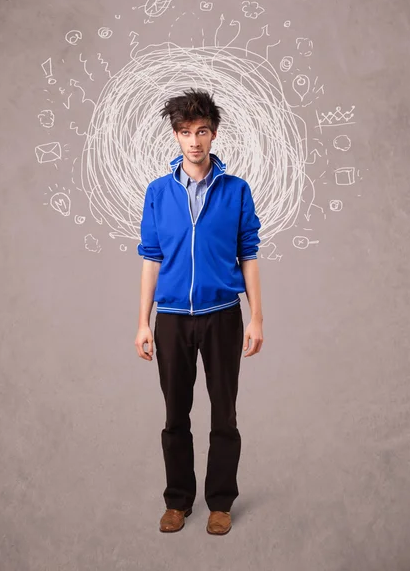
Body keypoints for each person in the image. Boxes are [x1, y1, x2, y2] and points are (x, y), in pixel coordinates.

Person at [135, 88, 264, 535]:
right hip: (170, 318)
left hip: (224, 315)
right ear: (175, 136)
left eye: (202, 131)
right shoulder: (157, 193)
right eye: (186, 132)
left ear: (214, 134)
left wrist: (257, 317)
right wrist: (142, 323)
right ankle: (178, 501)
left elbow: (248, 253)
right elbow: (151, 257)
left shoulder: (236, 191)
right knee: (175, 414)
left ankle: (221, 502)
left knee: (224, 413)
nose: (194, 141)